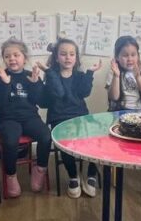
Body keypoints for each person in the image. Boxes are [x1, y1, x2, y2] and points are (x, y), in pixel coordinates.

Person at [0, 38, 51, 199]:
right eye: (7, 56)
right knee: (10, 141)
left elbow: (41, 102)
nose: (12, 59)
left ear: (24, 57)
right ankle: (11, 176)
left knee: (46, 136)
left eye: (16, 55)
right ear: (4, 59)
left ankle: (40, 169)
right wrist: (5, 83)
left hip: (29, 117)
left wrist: (35, 83)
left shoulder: (31, 75)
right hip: (7, 119)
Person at [40, 38, 101, 198]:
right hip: (59, 118)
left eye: (72, 54)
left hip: (80, 116)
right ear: (56, 57)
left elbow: (84, 92)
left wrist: (90, 73)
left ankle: (91, 174)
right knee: (64, 140)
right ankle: (73, 176)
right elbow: (58, 93)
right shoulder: (51, 76)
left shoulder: (80, 76)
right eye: (63, 54)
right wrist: (49, 73)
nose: (68, 57)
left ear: (76, 57)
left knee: (99, 136)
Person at [106, 35, 141, 203]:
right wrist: (116, 76)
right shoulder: (114, 72)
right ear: (117, 57)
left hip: (139, 114)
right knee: (116, 138)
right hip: (118, 114)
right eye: (125, 55)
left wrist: (138, 77)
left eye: (133, 54)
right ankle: (116, 172)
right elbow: (114, 97)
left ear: (138, 55)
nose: (129, 59)